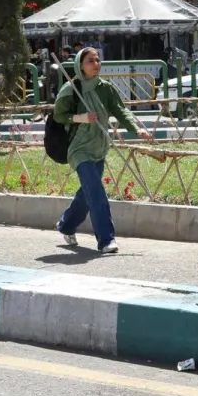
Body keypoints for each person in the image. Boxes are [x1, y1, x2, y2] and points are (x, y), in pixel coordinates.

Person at [52, 47, 154, 254]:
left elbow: (121, 110)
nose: (96, 64)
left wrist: (137, 129)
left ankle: (66, 225)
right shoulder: (71, 89)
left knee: (86, 194)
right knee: (96, 192)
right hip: (79, 148)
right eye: (91, 61)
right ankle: (106, 240)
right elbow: (58, 116)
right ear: (80, 65)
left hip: (99, 146)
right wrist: (81, 118)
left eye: (98, 60)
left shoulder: (105, 88)